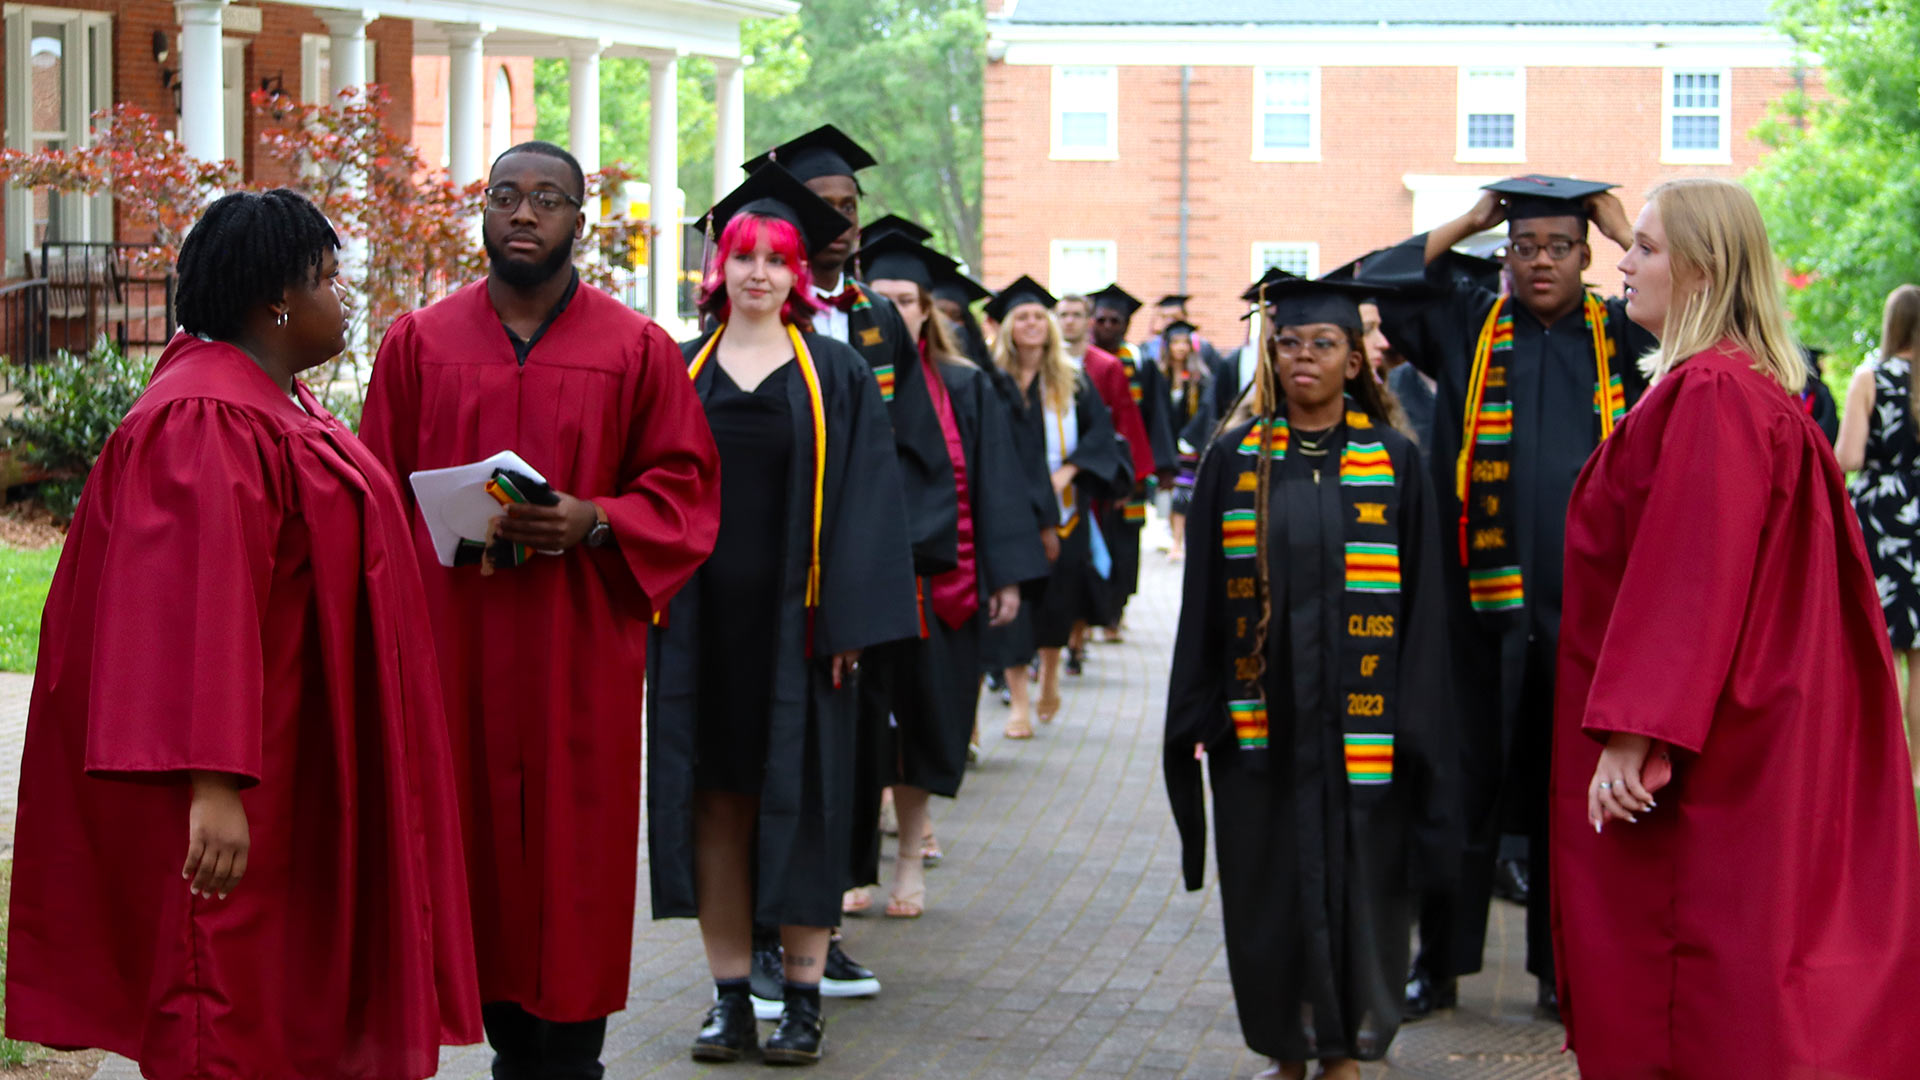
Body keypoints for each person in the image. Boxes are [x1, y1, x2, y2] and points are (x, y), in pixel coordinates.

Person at [6, 189, 481, 1078]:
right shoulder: (206, 419)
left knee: (286, 995)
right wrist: (212, 786)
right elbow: (193, 610)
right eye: (329, 280)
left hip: (301, 751)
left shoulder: (279, 401)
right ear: (276, 301)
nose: (345, 298)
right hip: (244, 777)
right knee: (223, 996)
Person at [360, 141, 722, 1080]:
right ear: (481, 212)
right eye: (506, 195)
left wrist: (598, 519)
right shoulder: (421, 343)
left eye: (548, 199)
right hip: (456, 647)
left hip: (576, 654)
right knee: (467, 848)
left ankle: (567, 1062)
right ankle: (505, 1047)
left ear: (580, 223)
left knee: (573, 860)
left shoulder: (634, 349)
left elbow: (684, 486)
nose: (524, 213)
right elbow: (373, 497)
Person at [1553, 176, 1920, 1078]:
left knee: (1702, 982)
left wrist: (1634, 733)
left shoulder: (1712, 394)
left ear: (1705, 269)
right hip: (1759, 717)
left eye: (1644, 245)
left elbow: (1692, 569)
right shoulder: (1746, 389)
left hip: (1715, 746)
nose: (1623, 260)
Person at [1360, 174, 1658, 1020]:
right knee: (1457, 788)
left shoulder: (1624, 333)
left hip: (1587, 618)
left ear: (1587, 254)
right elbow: (1376, 281)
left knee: (1570, 798)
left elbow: (1716, 317)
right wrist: (1467, 220)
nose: (1540, 262)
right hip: (1472, 616)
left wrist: (1619, 219)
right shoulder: (1468, 327)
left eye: (1560, 246)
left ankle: (1561, 971)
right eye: (1523, 247)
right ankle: (1439, 966)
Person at [647, 165, 921, 1067]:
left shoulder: (835, 370)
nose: (758, 271)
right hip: (702, 633)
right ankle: (730, 996)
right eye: (743, 255)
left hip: (803, 631)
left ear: (798, 273)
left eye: (776, 258)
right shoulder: (679, 370)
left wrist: (847, 625)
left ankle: (802, 998)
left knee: (802, 805)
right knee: (716, 809)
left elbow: (870, 503)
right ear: (718, 267)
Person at [1166, 276, 1455, 1080]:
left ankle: (1347, 1049)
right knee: (1267, 889)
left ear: (1356, 360)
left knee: (1363, 884)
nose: (1303, 357)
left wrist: (1421, 722)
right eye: (1288, 343)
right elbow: (1200, 606)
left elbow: (1426, 603)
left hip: (1366, 722)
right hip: (1262, 722)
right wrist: (1195, 714)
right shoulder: (1236, 457)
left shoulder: (1393, 459)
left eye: (1323, 344)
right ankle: (1286, 1049)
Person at [743, 127, 958, 983]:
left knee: (844, 761)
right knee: (762, 757)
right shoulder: (756, 311)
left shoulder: (875, 321)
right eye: (821, 208)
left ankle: (817, 932)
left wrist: (884, 564)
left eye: (849, 207)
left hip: (856, 586)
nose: (841, 222)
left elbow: (916, 452)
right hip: (769, 584)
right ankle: (759, 936)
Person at [861, 230, 1052, 916]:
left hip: (939, 592)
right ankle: (859, 864)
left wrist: (1003, 577)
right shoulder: (838, 373)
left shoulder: (965, 386)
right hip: (855, 592)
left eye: (905, 300)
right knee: (858, 733)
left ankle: (910, 857)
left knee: (924, 725)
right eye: (877, 298)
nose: (891, 310)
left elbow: (997, 485)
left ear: (928, 310)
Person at [989, 276, 1132, 738]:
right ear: (1008, 326)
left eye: (1038, 317)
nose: (1032, 324)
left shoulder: (1072, 381)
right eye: (1022, 317)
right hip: (1009, 509)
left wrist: (1068, 473)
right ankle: (1019, 703)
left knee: (1057, 600)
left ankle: (1049, 678)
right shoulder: (992, 383)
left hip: (1065, 506)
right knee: (1012, 606)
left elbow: (1099, 437)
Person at [1838, 283, 1920, 785]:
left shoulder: (1871, 378)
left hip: (1883, 517)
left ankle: (1887, 771)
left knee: (1884, 651)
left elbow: (1846, 457)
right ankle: (1918, 773)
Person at [1088, 283, 1178, 640]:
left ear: (1127, 325)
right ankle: (1091, 613)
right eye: (1103, 319)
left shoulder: (1141, 364)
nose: (1109, 326)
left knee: (1125, 543)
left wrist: (1161, 466)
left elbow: (1158, 418)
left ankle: (1115, 613)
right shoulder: (1082, 361)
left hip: (1131, 469)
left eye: (1116, 321)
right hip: (1093, 468)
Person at [1162, 319, 1217, 563]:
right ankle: (1173, 538)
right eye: (1175, 342)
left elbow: (1206, 410)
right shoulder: (1160, 375)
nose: (1180, 347)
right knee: (1170, 493)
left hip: (1189, 445)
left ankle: (1178, 543)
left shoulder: (1199, 377)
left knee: (1183, 494)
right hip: (1166, 442)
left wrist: (1189, 438)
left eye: (1185, 342)